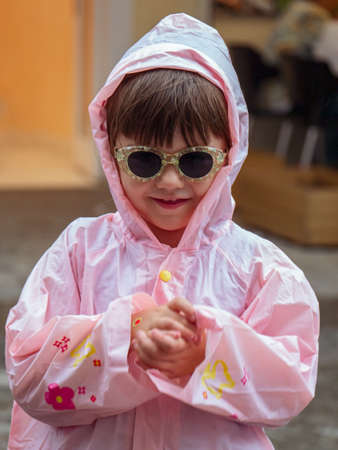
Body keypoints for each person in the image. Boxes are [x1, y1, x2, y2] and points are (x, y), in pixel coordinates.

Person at [5, 13, 319, 450]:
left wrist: (205, 354)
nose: (170, 182)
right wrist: (124, 337)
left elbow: (291, 383)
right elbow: (28, 372)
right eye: (144, 160)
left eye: (194, 161)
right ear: (113, 156)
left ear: (229, 155)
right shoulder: (79, 252)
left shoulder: (261, 271)